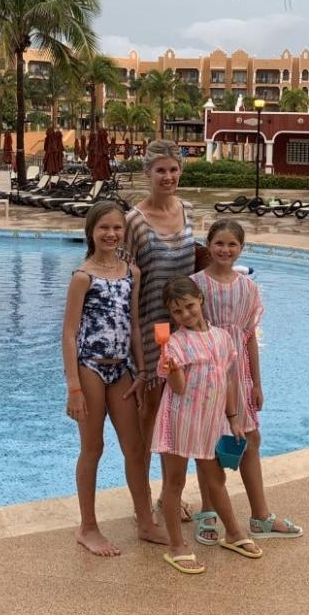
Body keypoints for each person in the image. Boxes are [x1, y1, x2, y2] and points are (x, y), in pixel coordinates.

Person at [61, 201, 167, 556]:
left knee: (135, 447)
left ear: (125, 231)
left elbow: (135, 325)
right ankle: (88, 527)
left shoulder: (131, 273)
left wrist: (140, 371)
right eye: (103, 228)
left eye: (117, 228)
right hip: (91, 367)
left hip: (122, 369)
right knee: (93, 447)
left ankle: (145, 521)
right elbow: (69, 333)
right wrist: (73, 387)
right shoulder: (82, 277)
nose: (111, 234)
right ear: (91, 232)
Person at [192, 219, 303, 541]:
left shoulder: (248, 288)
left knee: (251, 440)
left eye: (232, 245)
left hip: (238, 372)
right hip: (208, 371)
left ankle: (260, 516)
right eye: (219, 243)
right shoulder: (196, 283)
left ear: (242, 249)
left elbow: (250, 337)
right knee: (209, 444)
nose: (225, 250)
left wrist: (257, 382)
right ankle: (208, 511)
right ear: (208, 244)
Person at [153, 275, 263, 574]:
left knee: (216, 480)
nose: (185, 314)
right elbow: (177, 388)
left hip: (212, 422)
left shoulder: (222, 338)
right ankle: (176, 545)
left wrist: (233, 418)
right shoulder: (175, 343)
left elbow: (227, 379)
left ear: (200, 300)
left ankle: (234, 533)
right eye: (177, 312)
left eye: (189, 306)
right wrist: (173, 369)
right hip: (180, 421)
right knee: (174, 482)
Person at [123, 140, 201, 521]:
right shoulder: (134, 221)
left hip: (186, 332)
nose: (168, 177)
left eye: (173, 169)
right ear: (147, 174)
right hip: (150, 331)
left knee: (181, 418)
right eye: (160, 171)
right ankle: (145, 502)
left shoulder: (188, 210)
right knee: (148, 420)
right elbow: (125, 281)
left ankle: (170, 496)